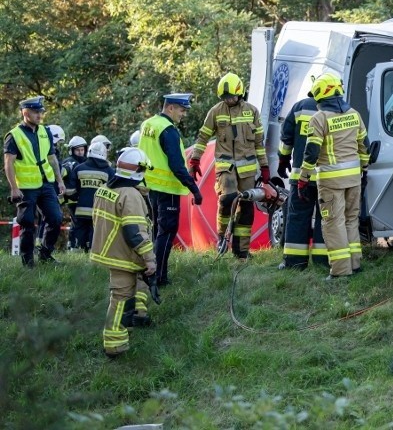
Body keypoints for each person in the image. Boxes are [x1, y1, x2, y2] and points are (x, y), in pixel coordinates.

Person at [189, 73, 268, 261]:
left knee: (246, 208)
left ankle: (241, 251)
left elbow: (259, 142)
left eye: (231, 96)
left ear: (240, 93)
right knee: (227, 200)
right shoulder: (216, 111)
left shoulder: (252, 111)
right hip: (226, 167)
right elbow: (203, 137)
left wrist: (264, 167)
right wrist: (195, 159)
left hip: (248, 169)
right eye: (224, 98)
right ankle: (222, 239)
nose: (228, 100)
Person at [299, 73, 369, 279]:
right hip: (354, 179)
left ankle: (340, 272)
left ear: (322, 97)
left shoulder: (319, 119)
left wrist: (303, 178)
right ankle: (355, 265)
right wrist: (363, 169)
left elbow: (311, 152)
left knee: (333, 223)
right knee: (350, 220)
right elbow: (364, 147)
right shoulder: (354, 115)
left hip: (331, 181)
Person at [90, 147, 157, 357]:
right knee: (120, 298)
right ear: (138, 170)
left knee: (128, 295)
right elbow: (135, 233)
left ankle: (127, 329)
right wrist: (150, 259)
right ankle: (114, 346)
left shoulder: (104, 189)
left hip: (110, 251)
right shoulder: (130, 195)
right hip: (123, 255)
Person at [138, 93, 202, 285]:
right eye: (182, 110)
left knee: (157, 231)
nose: (183, 114)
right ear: (170, 108)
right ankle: (159, 277)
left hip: (150, 187)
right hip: (168, 189)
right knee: (166, 234)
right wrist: (194, 189)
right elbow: (176, 165)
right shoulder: (168, 130)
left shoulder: (148, 124)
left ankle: (151, 271)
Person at [3, 96, 66, 267]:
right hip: (25, 187)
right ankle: (28, 262)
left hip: (46, 184)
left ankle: (45, 254)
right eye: (36, 112)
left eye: (41, 112)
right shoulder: (14, 135)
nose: (40, 115)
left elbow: (52, 158)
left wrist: (59, 181)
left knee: (55, 218)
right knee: (27, 223)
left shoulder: (45, 131)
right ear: (25, 113)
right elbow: (8, 164)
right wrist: (14, 188)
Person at [277, 90, 327, 270]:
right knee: (325, 218)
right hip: (327, 178)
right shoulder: (338, 110)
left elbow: (286, 137)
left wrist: (283, 160)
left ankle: (294, 262)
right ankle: (323, 262)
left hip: (301, 177)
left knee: (298, 216)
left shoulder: (300, 107)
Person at [66, 141, 114, 252]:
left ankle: (77, 257)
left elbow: (70, 191)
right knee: (95, 237)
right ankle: (93, 256)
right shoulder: (109, 171)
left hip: (81, 211)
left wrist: (79, 197)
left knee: (79, 238)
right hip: (99, 212)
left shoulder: (79, 168)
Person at [62, 135, 88, 249]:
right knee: (77, 223)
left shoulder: (86, 162)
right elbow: (62, 173)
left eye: (82, 150)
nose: (80, 152)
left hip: (82, 198)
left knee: (80, 223)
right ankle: (73, 245)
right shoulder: (69, 162)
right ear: (72, 150)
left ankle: (77, 245)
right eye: (77, 150)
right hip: (72, 198)